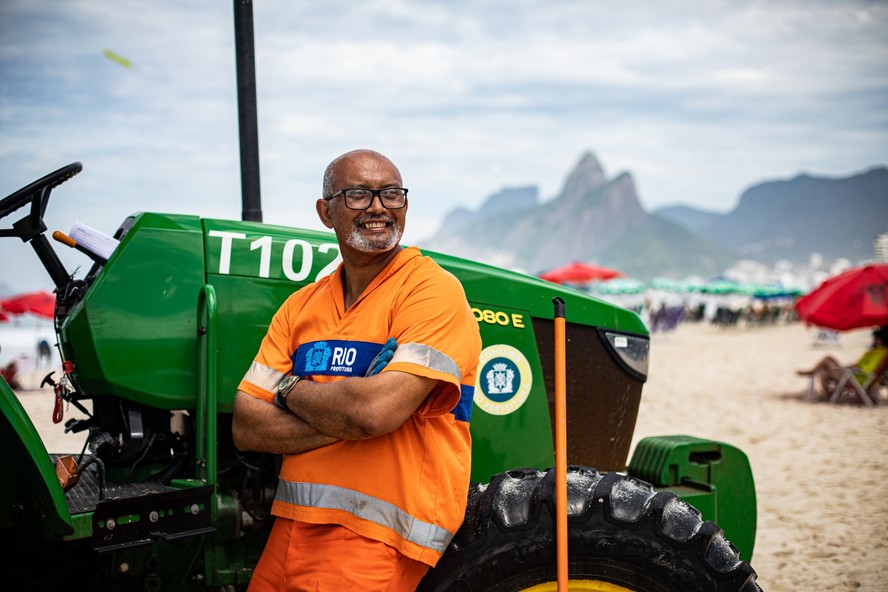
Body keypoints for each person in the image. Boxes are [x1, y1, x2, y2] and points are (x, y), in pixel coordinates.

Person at [231, 149, 482, 591]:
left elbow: (373, 413)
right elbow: (248, 427)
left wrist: (286, 390)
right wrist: (350, 408)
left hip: (377, 540)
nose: (379, 207)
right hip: (291, 529)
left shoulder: (432, 291)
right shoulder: (301, 306)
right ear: (325, 212)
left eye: (391, 194)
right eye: (359, 195)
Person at [798, 325, 888, 397]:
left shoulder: (881, 353)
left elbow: (866, 369)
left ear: (880, 340)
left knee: (827, 362)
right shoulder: (875, 351)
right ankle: (827, 393)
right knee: (825, 371)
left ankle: (813, 374)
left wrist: (848, 368)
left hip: (857, 378)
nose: (874, 340)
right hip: (856, 375)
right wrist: (847, 367)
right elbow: (862, 366)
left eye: (876, 338)